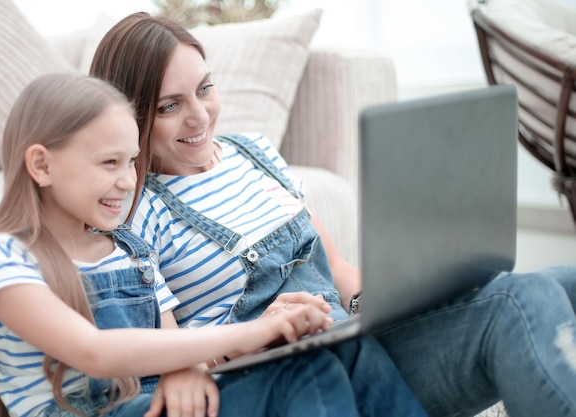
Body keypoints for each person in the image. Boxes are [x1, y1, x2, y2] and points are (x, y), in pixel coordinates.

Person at [90, 11, 576, 417]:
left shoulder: (254, 153)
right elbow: (161, 361)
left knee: (547, 287)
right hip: (280, 377)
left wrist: (393, 297)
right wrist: (252, 336)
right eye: (171, 105)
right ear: (129, 118)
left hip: (349, 335)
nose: (199, 115)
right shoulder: (134, 209)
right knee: (513, 306)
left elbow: (338, 269)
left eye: (205, 89)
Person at [0, 72, 377, 417]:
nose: (126, 180)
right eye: (109, 163)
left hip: (157, 406)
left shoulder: (129, 252)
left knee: (328, 358)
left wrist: (190, 369)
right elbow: (95, 352)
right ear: (42, 165)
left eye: (132, 161)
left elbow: (173, 348)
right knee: (306, 375)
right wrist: (250, 332)